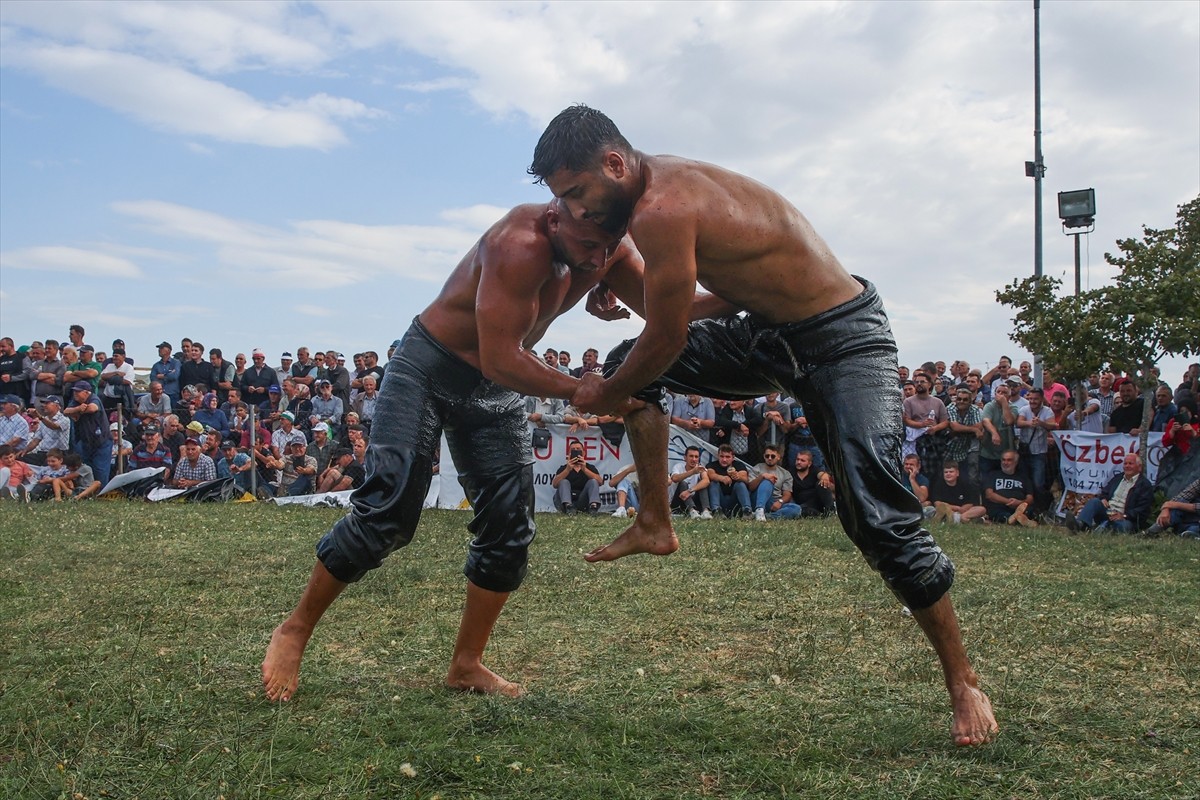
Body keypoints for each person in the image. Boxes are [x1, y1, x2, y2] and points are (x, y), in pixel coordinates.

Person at [529, 104, 996, 745]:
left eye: (579, 194)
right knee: (627, 364)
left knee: (878, 520)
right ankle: (655, 521)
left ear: (614, 164)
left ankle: (963, 682)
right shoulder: (654, 203)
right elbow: (684, 307)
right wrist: (615, 272)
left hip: (843, 341)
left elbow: (665, 337)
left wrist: (605, 393)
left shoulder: (662, 208)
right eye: (564, 202)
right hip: (768, 337)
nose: (577, 214)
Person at [262, 199, 633, 703]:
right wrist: (581, 388)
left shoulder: (608, 237)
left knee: (510, 527)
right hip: (430, 368)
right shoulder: (518, 244)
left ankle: (467, 664)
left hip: (495, 386)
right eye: (589, 247)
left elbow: (670, 303)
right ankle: (296, 629)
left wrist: (754, 302)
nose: (598, 258)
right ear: (556, 216)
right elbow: (502, 358)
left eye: (607, 249)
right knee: (387, 511)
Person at [1064, 452, 1154, 534]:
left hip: (1125, 518)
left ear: (1139, 467)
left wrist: (1124, 515)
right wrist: (1103, 499)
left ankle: (1104, 529)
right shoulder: (1118, 478)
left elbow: (1143, 510)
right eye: (1125, 463)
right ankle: (1079, 525)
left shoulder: (1144, 485)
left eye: (1130, 463)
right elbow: (1104, 492)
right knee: (1094, 502)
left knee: (1125, 527)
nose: (1127, 466)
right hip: (1108, 512)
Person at [982, 450, 1035, 527]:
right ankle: (1017, 519)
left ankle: (1015, 518)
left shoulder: (1024, 478)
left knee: (1029, 510)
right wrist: (1008, 501)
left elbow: (1030, 498)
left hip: (1019, 507)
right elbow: (989, 495)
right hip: (999, 506)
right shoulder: (993, 475)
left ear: (1016, 462)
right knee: (998, 513)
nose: (1005, 462)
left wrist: (1019, 503)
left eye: (1009, 460)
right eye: (1003, 460)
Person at [552, 441, 604, 514]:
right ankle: (568, 507)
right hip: (564, 503)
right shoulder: (563, 468)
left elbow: (600, 482)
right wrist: (567, 470)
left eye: (578, 449)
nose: (576, 451)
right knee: (563, 481)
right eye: (573, 450)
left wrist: (584, 469)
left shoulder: (590, 467)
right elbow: (554, 484)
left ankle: (593, 507)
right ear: (569, 454)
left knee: (593, 481)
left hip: (582, 501)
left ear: (583, 453)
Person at [705, 444, 752, 518]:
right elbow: (711, 474)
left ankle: (747, 511)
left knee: (740, 484)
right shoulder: (712, 465)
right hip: (721, 499)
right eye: (722, 456)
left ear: (733, 457)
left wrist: (738, 476)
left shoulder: (739, 465)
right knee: (713, 483)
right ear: (718, 456)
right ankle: (716, 511)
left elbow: (746, 479)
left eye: (727, 457)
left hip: (735, 500)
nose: (724, 460)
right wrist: (722, 478)